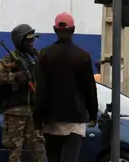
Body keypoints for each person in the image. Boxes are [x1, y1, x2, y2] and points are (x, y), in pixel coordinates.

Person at [34, 12, 98, 162]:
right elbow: (90, 88)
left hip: (51, 119)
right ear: (73, 30)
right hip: (75, 119)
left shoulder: (44, 55)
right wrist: (93, 115)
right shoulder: (83, 56)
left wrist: (38, 119)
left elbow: (41, 89)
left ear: (55, 30)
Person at [0, 24, 46, 162]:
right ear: (21, 42)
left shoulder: (36, 57)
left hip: (34, 112)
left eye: (33, 40)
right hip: (15, 114)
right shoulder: (11, 59)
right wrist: (14, 77)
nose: (32, 43)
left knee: (39, 153)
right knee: (15, 155)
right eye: (29, 40)